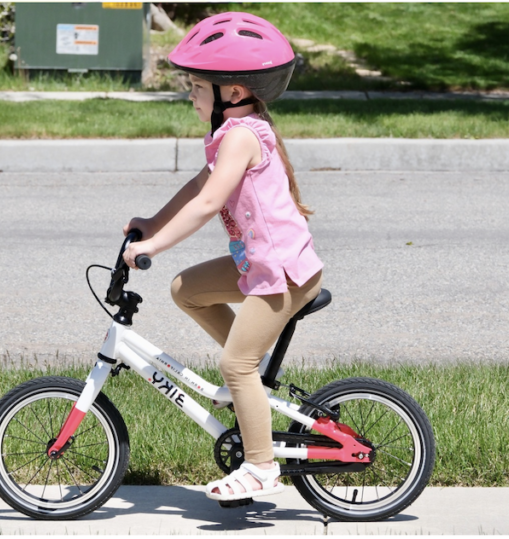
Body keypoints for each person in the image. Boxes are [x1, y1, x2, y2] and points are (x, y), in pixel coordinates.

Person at [121, 12, 323, 503]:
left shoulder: (241, 136)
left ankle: (259, 467)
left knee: (236, 363)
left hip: (282, 275)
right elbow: (198, 186)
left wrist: (151, 246)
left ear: (232, 92)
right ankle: (246, 383)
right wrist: (152, 221)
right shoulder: (230, 133)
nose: (190, 94)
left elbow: (209, 204)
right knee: (185, 290)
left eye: (196, 86)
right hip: (259, 265)